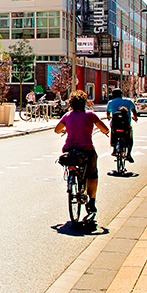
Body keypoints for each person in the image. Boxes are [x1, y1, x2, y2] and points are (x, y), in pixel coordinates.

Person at [55, 89, 109, 221]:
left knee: (73, 166)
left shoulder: (67, 116)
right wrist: (105, 131)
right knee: (92, 175)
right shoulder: (91, 115)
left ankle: (72, 180)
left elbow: (56, 130)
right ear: (84, 103)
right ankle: (92, 201)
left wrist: (66, 129)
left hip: (69, 150)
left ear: (71, 103)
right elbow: (104, 128)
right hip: (86, 150)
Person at [104, 89, 137, 162]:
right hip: (126, 125)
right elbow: (134, 111)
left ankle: (114, 148)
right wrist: (135, 118)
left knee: (113, 133)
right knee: (130, 138)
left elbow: (108, 113)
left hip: (115, 125)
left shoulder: (111, 102)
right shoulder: (128, 101)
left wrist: (109, 117)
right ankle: (128, 154)